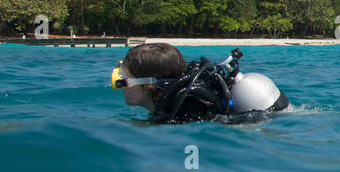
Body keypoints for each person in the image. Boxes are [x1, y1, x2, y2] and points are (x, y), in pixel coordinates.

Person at [111, 42, 288, 124]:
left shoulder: (181, 114)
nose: (120, 84)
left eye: (124, 78)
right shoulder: (181, 100)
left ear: (148, 84)